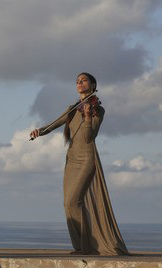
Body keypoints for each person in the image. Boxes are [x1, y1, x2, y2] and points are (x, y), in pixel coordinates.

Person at [30, 72, 129, 255]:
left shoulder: (97, 109)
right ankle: (80, 247)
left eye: (83, 80)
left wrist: (88, 117)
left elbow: (88, 137)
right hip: (71, 159)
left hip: (87, 158)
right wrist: (39, 132)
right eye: (77, 81)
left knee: (75, 200)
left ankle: (87, 247)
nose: (79, 83)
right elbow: (53, 124)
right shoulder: (72, 108)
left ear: (92, 85)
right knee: (68, 204)